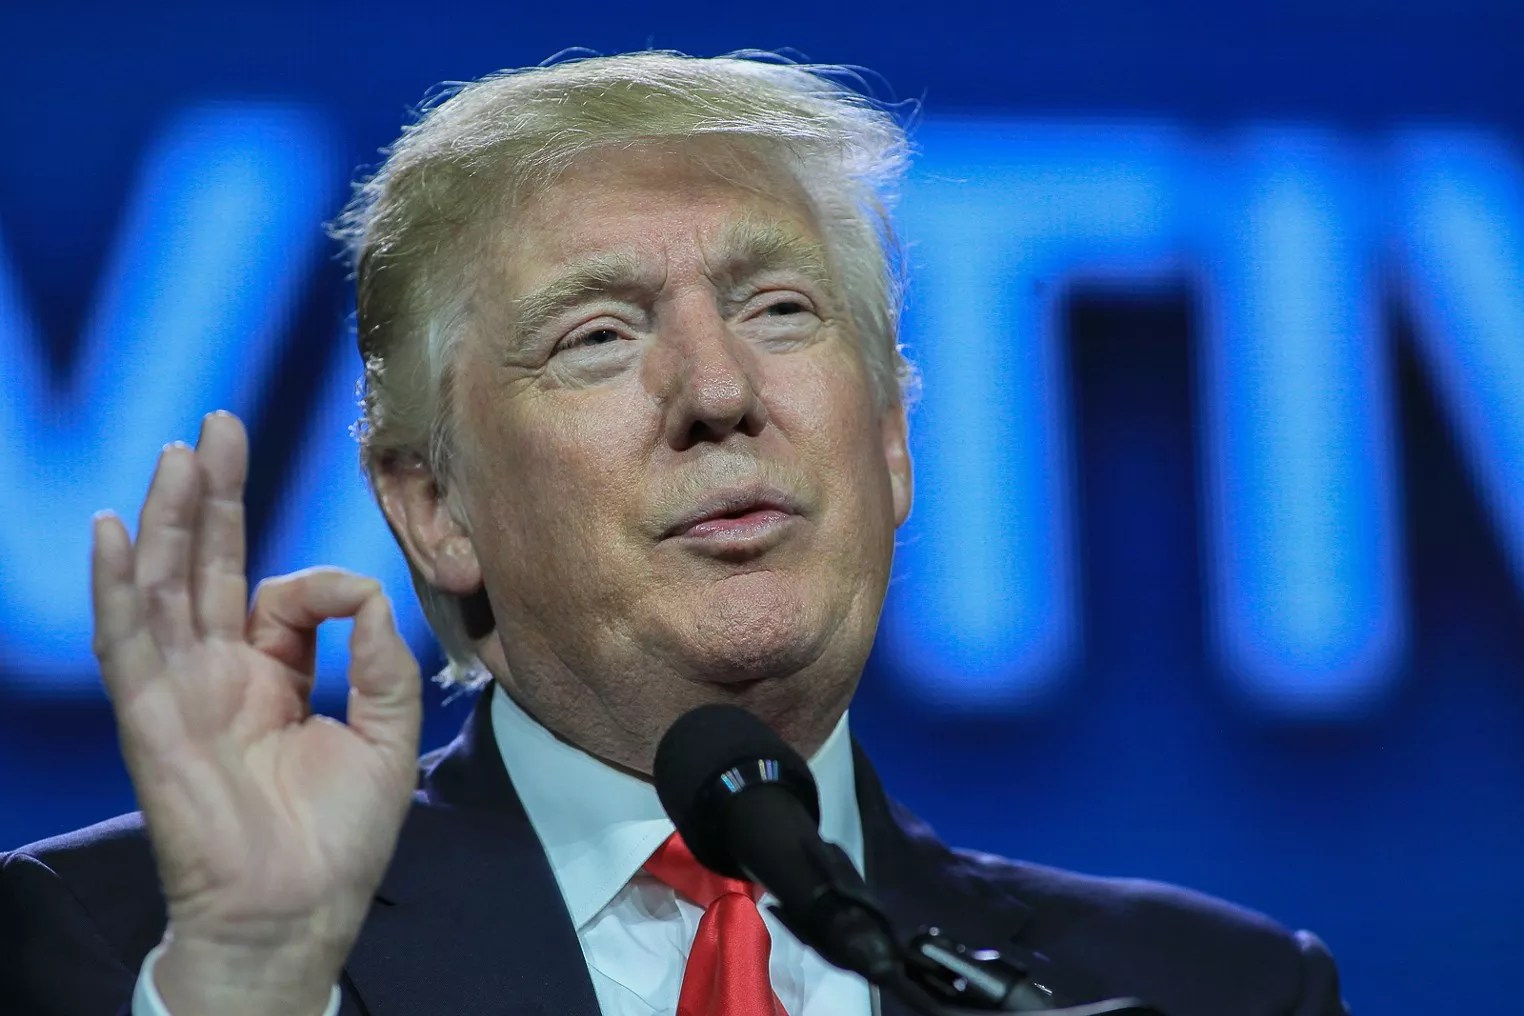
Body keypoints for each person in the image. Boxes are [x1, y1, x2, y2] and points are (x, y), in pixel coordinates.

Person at [0, 51, 1348, 1016]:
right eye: (598, 336)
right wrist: (250, 990)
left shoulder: (1211, 990)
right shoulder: (118, 950)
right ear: (433, 506)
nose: (718, 395)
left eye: (781, 312)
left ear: (890, 442)